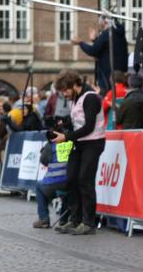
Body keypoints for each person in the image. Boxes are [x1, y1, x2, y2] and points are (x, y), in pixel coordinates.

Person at [51, 70, 106, 236]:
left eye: (65, 90)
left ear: (74, 85)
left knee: (85, 179)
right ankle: (75, 219)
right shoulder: (74, 98)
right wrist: (64, 123)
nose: (64, 94)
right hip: (79, 143)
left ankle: (89, 222)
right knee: (71, 179)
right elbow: (77, 120)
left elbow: (89, 126)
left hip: (93, 142)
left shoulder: (90, 97)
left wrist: (66, 137)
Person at [72, 16, 128, 92]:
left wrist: (80, 43)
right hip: (118, 73)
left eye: (100, 21)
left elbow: (93, 50)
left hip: (108, 74)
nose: (99, 23)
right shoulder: (118, 34)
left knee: (107, 95)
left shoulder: (107, 34)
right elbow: (105, 50)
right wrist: (95, 40)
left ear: (105, 22)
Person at [33, 128, 72, 228]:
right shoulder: (71, 143)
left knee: (38, 186)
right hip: (70, 184)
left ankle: (44, 219)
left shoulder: (52, 145)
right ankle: (63, 220)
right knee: (67, 193)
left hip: (53, 185)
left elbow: (44, 160)